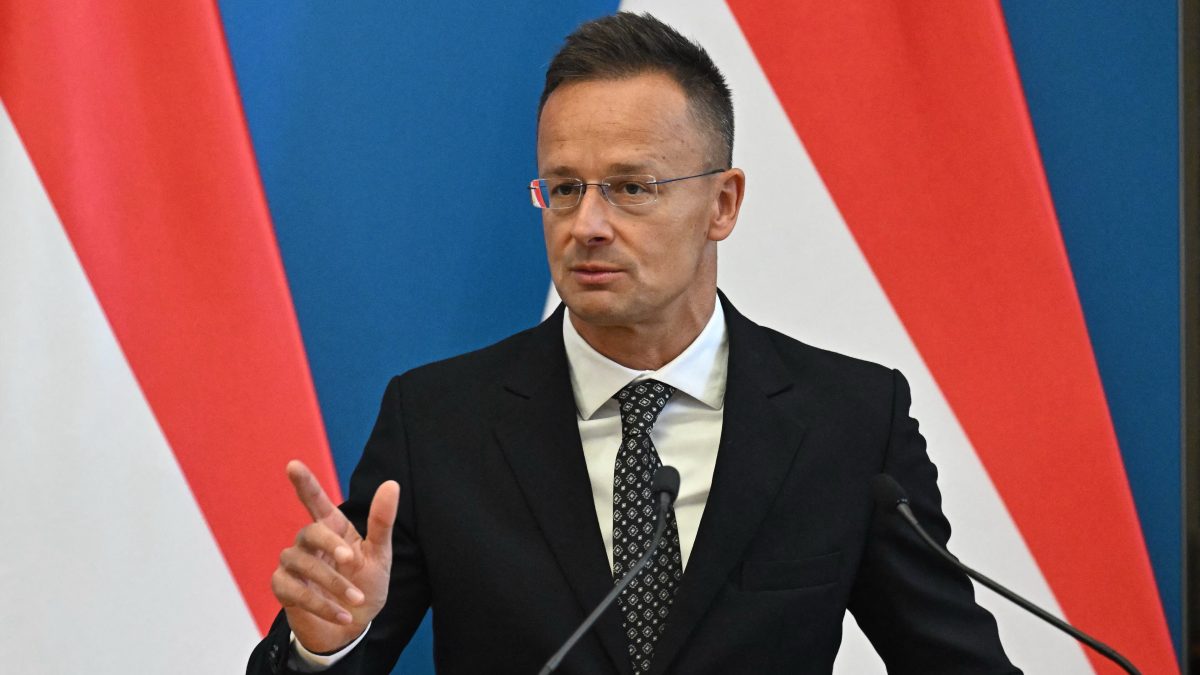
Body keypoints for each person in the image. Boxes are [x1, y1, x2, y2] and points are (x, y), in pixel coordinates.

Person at [248, 12, 1019, 675]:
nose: (586, 224)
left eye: (630, 187)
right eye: (564, 186)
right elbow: (329, 635)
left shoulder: (850, 421)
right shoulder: (439, 422)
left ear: (722, 203)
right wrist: (324, 647)